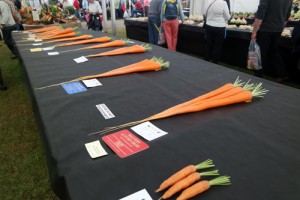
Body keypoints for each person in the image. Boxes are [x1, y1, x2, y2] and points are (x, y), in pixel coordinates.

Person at [251, 0, 293, 82]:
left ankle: (258, 77)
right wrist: (280, 26)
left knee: (260, 53)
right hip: (278, 28)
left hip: (265, 29)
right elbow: (288, 14)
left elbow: (261, 13)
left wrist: (254, 31)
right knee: (273, 51)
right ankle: (282, 74)